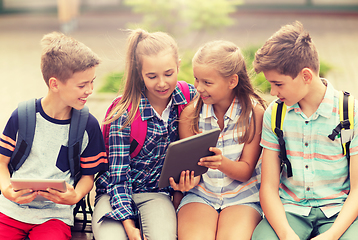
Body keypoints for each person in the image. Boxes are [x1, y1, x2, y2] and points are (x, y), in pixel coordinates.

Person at [251, 21, 358, 240]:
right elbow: (269, 188)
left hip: (339, 212)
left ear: (306, 76)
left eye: (278, 84)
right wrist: (285, 234)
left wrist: (332, 235)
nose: (272, 92)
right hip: (290, 211)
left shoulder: (350, 112)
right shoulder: (275, 114)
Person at [0, 32, 108, 240]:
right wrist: (6, 189)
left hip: (55, 217)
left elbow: (88, 176)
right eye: (82, 85)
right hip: (10, 210)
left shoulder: (88, 125)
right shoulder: (22, 116)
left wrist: (75, 195)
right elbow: (1, 163)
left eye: (92, 82)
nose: (90, 90)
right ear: (55, 84)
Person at [92, 28, 197, 240]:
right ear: (140, 74)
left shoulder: (188, 98)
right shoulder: (124, 114)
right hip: (114, 193)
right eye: (152, 76)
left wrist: (186, 184)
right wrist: (130, 228)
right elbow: (118, 179)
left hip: (156, 194)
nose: (161, 83)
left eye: (169, 73)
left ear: (178, 66)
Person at [176, 40, 266, 240]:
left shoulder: (255, 113)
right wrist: (185, 182)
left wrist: (221, 163)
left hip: (243, 197)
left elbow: (245, 171)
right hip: (201, 196)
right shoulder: (190, 114)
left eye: (207, 82)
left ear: (232, 81)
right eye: (196, 79)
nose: (198, 88)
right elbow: (194, 174)